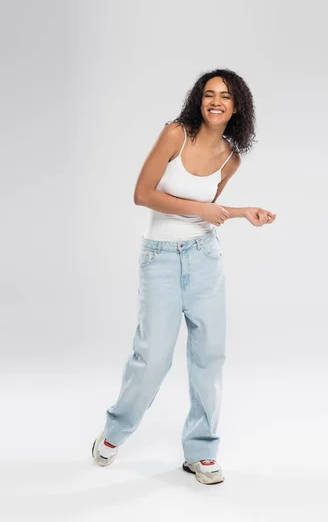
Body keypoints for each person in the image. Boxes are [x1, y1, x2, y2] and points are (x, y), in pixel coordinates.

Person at [91, 68, 276, 484]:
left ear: (237, 106)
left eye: (225, 96)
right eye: (209, 94)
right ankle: (116, 431)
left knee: (209, 356)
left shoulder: (232, 158)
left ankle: (201, 450)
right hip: (159, 257)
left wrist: (245, 213)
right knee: (153, 356)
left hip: (204, 257)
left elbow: (209, 211)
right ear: (199, 99)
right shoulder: (176, 133)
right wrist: (204, 212)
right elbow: (143, 193)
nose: (216, 101)